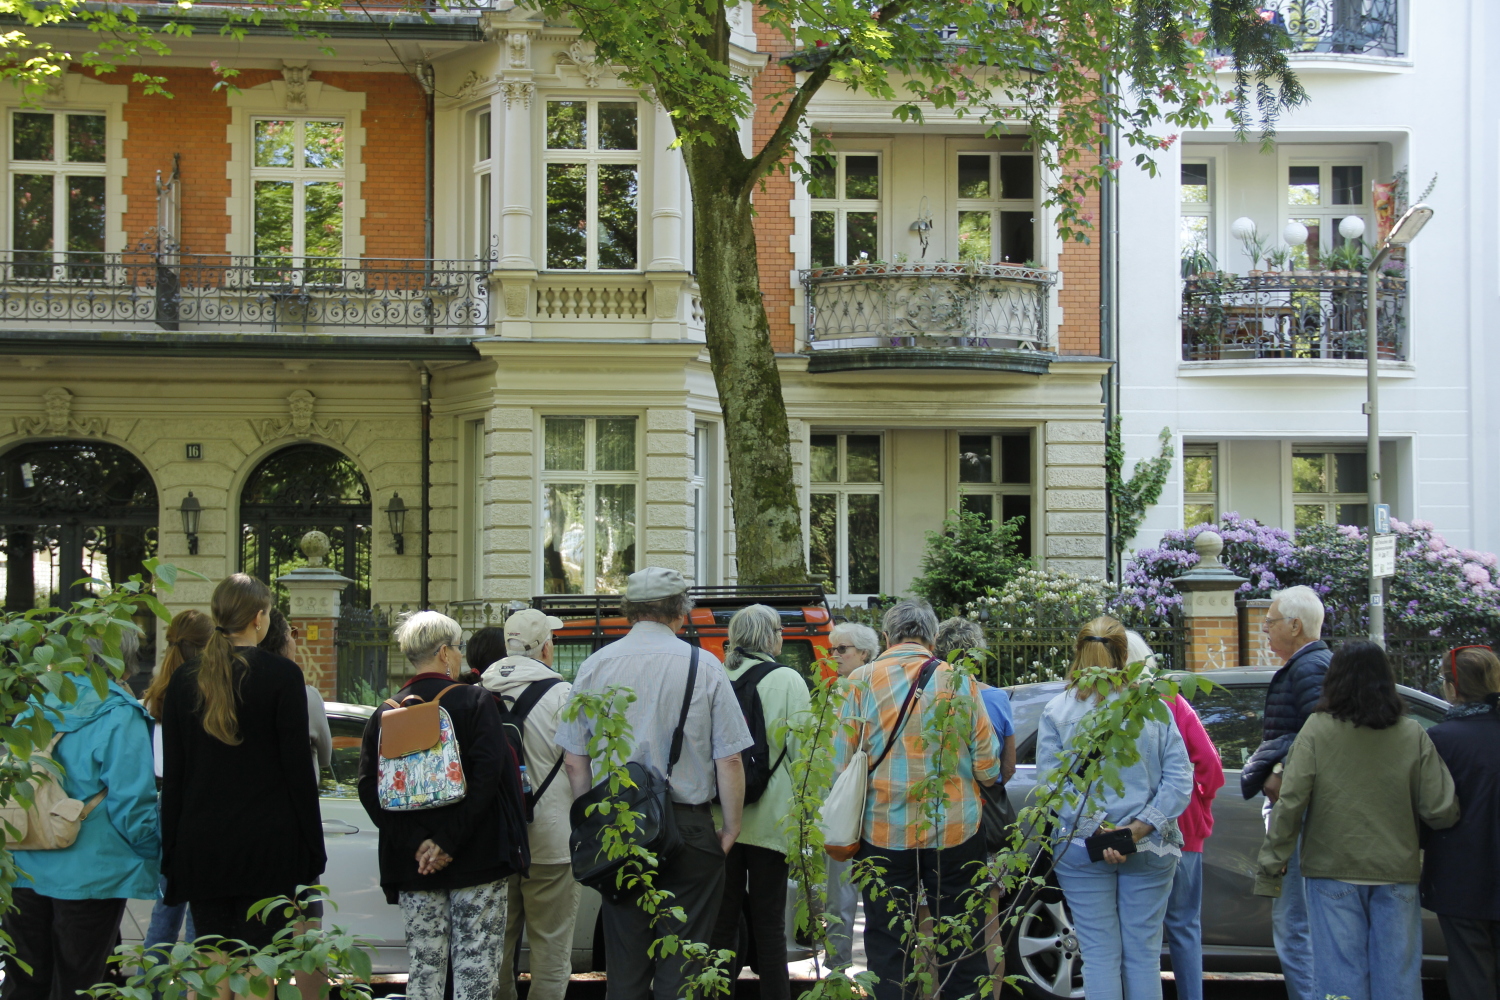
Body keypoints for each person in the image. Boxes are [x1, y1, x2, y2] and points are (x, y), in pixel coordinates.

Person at [555, 567, 753, 1000]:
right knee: (685, 965)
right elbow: (731, 758)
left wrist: (594, 824)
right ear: (681, 611)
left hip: (621, 826)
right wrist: (731, 828)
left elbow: (574, 761)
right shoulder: (705, 666)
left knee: (624, 967)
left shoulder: (594, 666)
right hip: (689, 824)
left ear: (629, 611)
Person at [1255, 640, 1458, 1000]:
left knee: (1339, 980)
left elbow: (1290, 804)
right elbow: (1440, 809)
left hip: (1331, 871)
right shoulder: (1412, 733)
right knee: (1398, 980)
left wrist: (1272, 864)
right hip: (1397, 871)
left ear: (1334, 680)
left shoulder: (1316, 730)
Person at [831, 598, 999, 1000]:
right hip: (955, 831)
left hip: (882, 830)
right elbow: (989, 767)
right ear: (932, 637)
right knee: (962, 939)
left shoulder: (858, 683)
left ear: (887, 636)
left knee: (889, 943)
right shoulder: (960, 681)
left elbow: (840, 764)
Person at [357, 610, 518, 1000]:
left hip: (415, 866)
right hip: (477, 859)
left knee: (425, 972)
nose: (460, 656)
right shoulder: (475, 701)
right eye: (458, 648)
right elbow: (488, 778)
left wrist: (419, 844)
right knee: (476, 973)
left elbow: (368, 788)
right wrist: (447, 841)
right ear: (445, 653)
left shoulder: (387, 712)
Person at [160, 574, 325, 948]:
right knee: (258, 967)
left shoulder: (185, 680)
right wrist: (313, 850)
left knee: (214, 966)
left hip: (201, 845)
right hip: (268, 846)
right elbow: (297, 772)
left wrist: (171, 853)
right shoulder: (283, 676)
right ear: (259, 617)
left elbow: (175, 778)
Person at [1036, 617, 1192, 1000]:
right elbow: (1180, 780)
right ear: (1126, 655)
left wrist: (1097, 831)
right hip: (1149, 845)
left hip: (1080, 848)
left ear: (1077, 653)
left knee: (1099, 955)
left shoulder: (1057, 711)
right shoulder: (1153, 707)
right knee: (1143, 955)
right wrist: (1136, 830)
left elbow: (1053, 788)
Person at [1, 630, 161, 1000]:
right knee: (81, 984)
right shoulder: (121, 715)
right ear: (122, 658)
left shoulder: (36, 705)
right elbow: (132, 804)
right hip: (92, 873)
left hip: (22, 863)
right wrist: (154, 853)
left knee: (23, 983)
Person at [710, 605, 812, 1000]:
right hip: (773, 820)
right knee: (770, 927)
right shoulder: (787, 679)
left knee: (721, 925)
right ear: (773, 637)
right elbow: (804, 755)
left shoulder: (715, 674)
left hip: (721, 818)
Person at [479, 611, 581, 1000]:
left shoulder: (478, 693)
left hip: (496, 842)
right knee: (551, 947)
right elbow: (578, 765)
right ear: (546, 648)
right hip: (552, 843)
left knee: (497, 948)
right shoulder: (564, 696)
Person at [1126, 631, 1223, 1000]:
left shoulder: (1114, 705)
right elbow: (1210, 765)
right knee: (1184, 924)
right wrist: (1201, 804)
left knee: (1139, 930)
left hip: (1133, 828)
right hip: (1182, 825)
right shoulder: (1171, 701)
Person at [1254, 585, 1332, 1000]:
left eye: (1270, 623)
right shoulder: (1311, 666)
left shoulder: (1309, 668)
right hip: (1302, 812)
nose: (1265, 631)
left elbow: (1317, 736)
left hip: (1303, 815)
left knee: (1294, 926)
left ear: (1295, 626)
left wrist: (1281, 771)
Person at [1420, 645, 1500, 1000]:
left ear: (1452, 688)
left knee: (1470, 973)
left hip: (1459, 877)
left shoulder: (1440, 740)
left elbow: (1426, 810)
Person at [140, 609, 214, 957]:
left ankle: (148, 988)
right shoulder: (203, 693)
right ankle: (195, 989)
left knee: (164, 912)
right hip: (193, 803)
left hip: (158, 800)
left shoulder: (152, 697)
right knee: (200, 918)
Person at [822, 620, 880, 971]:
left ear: (864, 652)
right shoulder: (882, 684)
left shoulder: (848, 688)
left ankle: (837, 968)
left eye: (841, 649)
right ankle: (879, 970)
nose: (834, 656)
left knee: (841, 887)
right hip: (877, 799)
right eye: (832, 650)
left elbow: (837, 757)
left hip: (850, 798)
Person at [259, 609, 332, 778]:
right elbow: (325, 758)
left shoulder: (243, 689)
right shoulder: (307, 697)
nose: (294, 640)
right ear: (283, 640)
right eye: (292, 633)